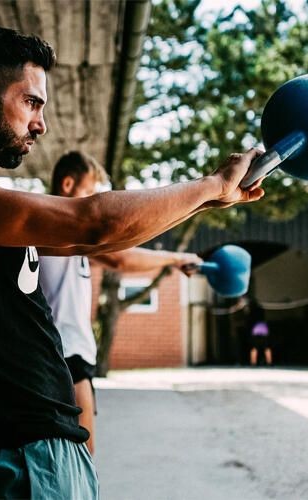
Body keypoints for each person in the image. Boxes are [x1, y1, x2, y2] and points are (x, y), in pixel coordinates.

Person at [0, 25, 264, 498]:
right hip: (21, 461)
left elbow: (97, 244)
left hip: (39, 455)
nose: (40, 124)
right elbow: (92, 223)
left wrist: (208, 202)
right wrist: (210, 184)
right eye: (31, 103)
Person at [39, 151, 202, 454]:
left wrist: (171, 262)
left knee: (77, 461)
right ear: (67, 184)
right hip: (64, 356)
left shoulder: (70, 238)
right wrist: (176, 257)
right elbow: (120, 257)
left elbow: (121, 259)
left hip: (71, 353)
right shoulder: (55, 230)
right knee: (82, 461)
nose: (93, 203)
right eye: (89, 192)